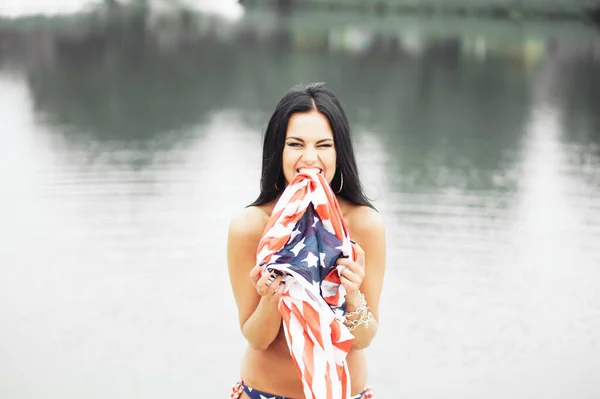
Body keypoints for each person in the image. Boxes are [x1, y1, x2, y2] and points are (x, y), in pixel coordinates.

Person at [227, 82, 386, 399]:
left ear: (339, 152)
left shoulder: (364, 226)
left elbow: (364, 338)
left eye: (323, 145)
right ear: (278, 151)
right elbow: (256, 338)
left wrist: (352, 295)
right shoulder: (250, 227)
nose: (310, 157)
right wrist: (272, 297)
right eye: (296, 144)